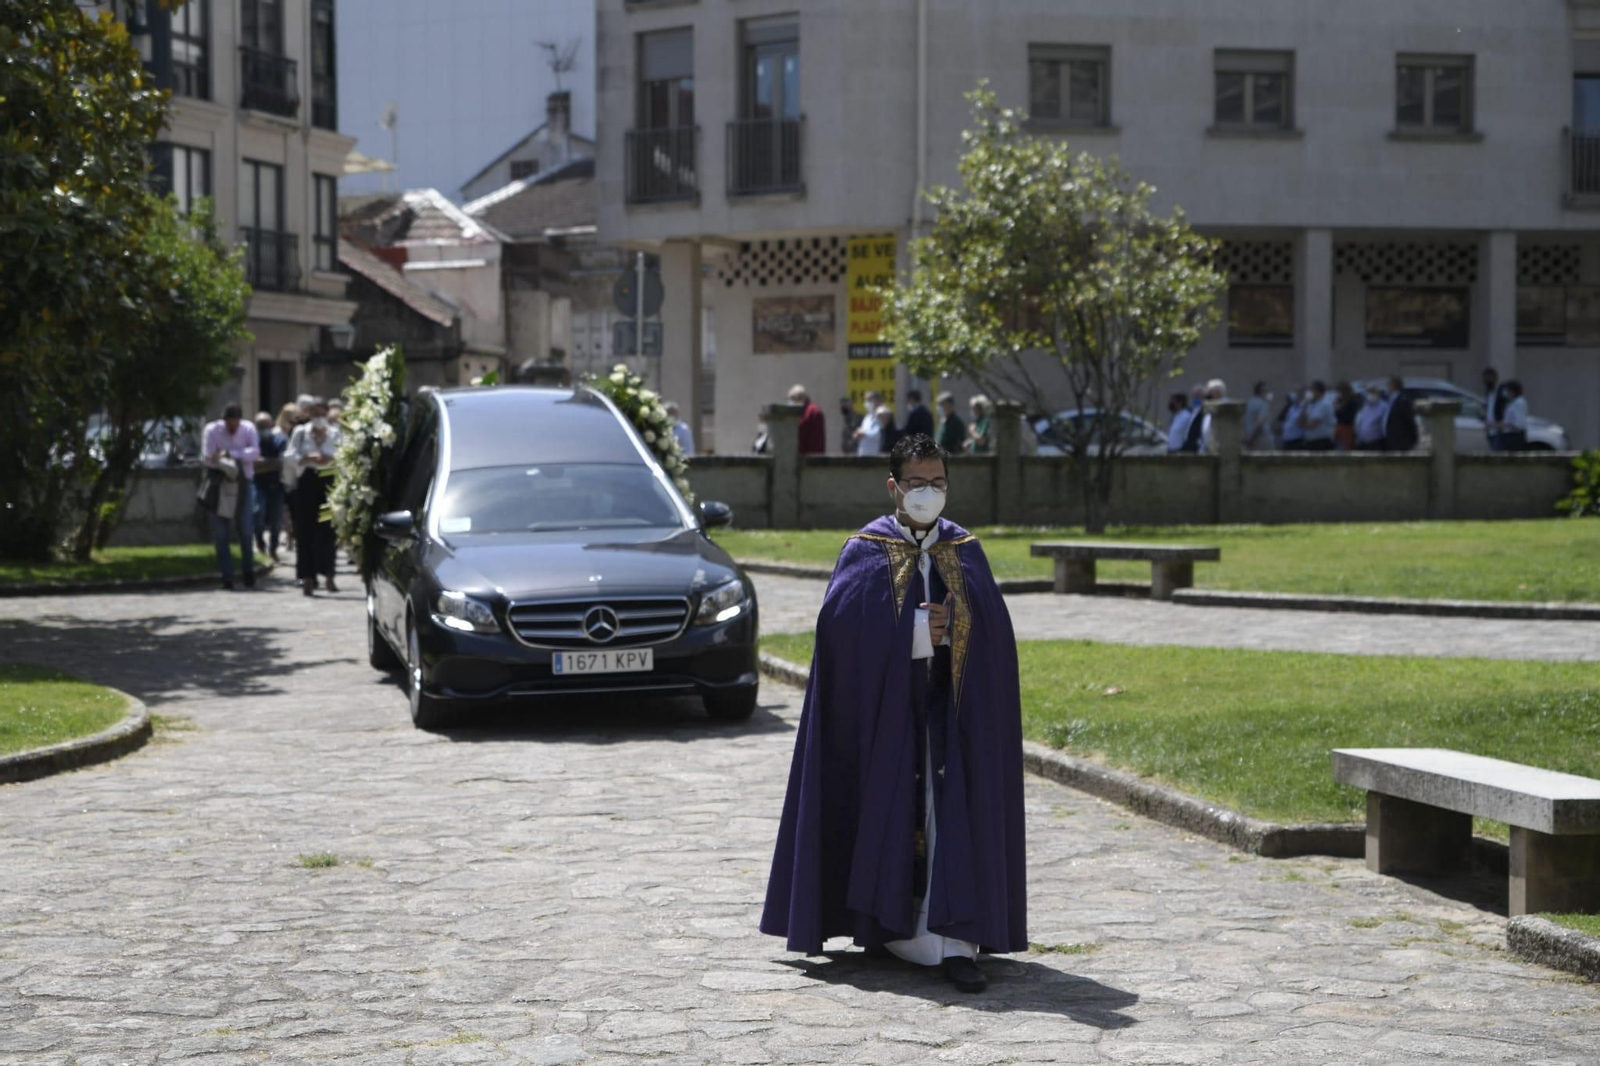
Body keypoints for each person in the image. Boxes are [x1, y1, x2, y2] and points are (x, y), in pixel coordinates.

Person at [760, 433, 1027, 993]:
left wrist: (960, 631)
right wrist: (910, 634)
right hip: (886, 721)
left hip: (947, 722)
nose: (927, 494)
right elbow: (839, 635)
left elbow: (997, 641)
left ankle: (953, 942)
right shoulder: (865, 549)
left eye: (937, 484)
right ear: (893, 487)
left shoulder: (965, 550)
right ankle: (885, 925)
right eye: (916, 484)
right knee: (890, 808)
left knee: (945, 813)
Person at [202, 403, 260, 590]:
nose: (232, 428)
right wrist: (237, 457)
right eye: (229, 424)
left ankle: (248, 573)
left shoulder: (248, 429)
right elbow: (208, 457)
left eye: (235, 423)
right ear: (224, 420)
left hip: (243, 484)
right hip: (219, 485)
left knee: (245, 530)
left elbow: (255, 453)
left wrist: (229, 454)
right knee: (221, 534)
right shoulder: (212, 430)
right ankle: (227, 577)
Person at [287, 398, 341, 596]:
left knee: (328, 531)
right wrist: (307, 458)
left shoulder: (335, 433)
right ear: (308, 414)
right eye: (315, 414)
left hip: (328, 481)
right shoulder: (300, 433)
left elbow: (344, 455)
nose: (319, 418)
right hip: (307, 481)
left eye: (322, 414)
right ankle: (307, 577)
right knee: (305, 530)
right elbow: (289, 456)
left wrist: (329, 458)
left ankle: (329, 575)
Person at [253, 412, 287, 561]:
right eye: (260, 426)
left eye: (265, 425)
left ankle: (273, 548)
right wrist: (270, 463)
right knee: (258, 514)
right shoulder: (253, 441)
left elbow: (282, 463)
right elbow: (252, 464)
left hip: (276, 486)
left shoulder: (280, 441)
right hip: (257, 484)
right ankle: (260, 542)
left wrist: (261, 463)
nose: (263, 429)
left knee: (276, 520)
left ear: (272, 425)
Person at [1383, 376, 1419, 452]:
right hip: (1391, 441)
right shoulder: (1391, 400)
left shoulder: (1402, 400)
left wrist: (1412, 440)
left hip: (1401, 442)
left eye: (1388, 385)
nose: (1386, 387)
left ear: (1394, 386)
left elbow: (1409, 420)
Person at [790, 385, 827, 456]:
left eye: (793, 400)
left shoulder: (812, 412)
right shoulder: (805, 411)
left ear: (799, 398)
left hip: (811, 457)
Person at [1300, 381, 1336, 451]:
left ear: (1318, 391)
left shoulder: (1325, 404)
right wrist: (1304, 408)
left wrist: (1304, 424)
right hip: (1311, 441)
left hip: (1322, 442)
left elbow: (1312, 425)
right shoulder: (1311, 405)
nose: (1309, 393)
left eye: (1312, 390)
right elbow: (1299, 423)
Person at [1493, 379, 1528, 451]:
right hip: (1508, 435)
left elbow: (1518, 424)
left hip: (1513, 437)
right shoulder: (1512, 402)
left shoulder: (1519, 402)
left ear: (1513, 391)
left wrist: (1502, 425)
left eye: (1508, 390)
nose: (1506, 393)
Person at [1482, 367, 1509, 452]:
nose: (1486, 381)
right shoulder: (1488, 392)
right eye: (1485, 379)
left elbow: (1506, 408)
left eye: (1488, 378)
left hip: (1499, 429)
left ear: (1495, 378)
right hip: (1490, 430)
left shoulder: (1502, 390)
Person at [1354, 385, 1388, 450]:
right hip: (1363, 442)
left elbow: (1385, 424)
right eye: (1369, 392)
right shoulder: (1365, 406)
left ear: (1378, 393)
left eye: (1373, 392)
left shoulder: (1383, 406)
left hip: (1376, 442)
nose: (1371, 394)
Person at [854, 390, 885, 457]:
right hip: (863, 454)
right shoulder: (867, 417)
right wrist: (858, 434)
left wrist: (864, 433)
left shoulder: (883, 415)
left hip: (875, 455)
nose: (867, 403)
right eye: (866, 400)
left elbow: (879, 434)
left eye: (869, 400)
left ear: (878, 400)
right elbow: (862, 431)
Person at [1242, 381, 1271, 451]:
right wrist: (1251, 438)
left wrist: (1246, 437)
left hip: (1248, 437)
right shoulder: (1263, 404)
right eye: (1266, 391)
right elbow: (1260, 422)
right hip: (1260, 438)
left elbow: (1243, 421)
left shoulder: (1249, 403)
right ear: (1262, 392)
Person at [1333, 382, 1360, 451]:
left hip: (1348, 429)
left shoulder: (1352, 402)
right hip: (1339, 428)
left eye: (1339, 391)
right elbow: (1336, 416)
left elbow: (1350, 416)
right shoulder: (1339, 401)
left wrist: (1341, 407)